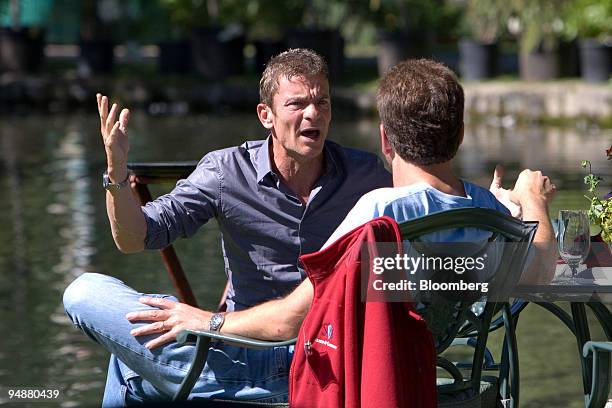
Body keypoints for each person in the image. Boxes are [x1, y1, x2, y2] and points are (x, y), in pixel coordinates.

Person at [63, 48, 392, 406]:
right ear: (265, 115)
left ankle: (189, 373)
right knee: (84, 291)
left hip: (325, 355)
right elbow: (135, 237)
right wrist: (117, 173)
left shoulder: (366, 175)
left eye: (322, 102)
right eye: (297, 104)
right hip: (240, 350)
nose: (314, 113)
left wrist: (204, 321)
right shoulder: (226, 171)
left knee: (128, 369)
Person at [198, 58, 558, 344]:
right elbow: (541, 273)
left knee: (146, 316)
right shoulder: (484, 211)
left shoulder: (379, 212)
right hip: (445, 371)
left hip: (369, 380)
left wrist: (208, 320)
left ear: (385, 141)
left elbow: (291, 320)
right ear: (460, 134)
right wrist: (532, 200)